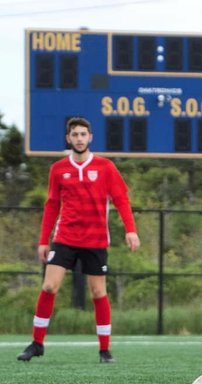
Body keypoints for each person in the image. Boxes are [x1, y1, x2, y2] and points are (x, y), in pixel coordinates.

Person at [17, 117, 141, 363]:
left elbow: (121, 199)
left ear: (90, 137)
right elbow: (51, 205)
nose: (79, 138)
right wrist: (44, 240)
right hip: (65, 238)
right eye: (75, 134)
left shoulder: (105, 167)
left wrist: (131, 229)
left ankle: (104, 350)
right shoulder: (58, 169)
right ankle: (37, 343)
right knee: (49, 286)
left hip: (96, 241)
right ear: (68, 138)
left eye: (84, 134)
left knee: (97, 292)